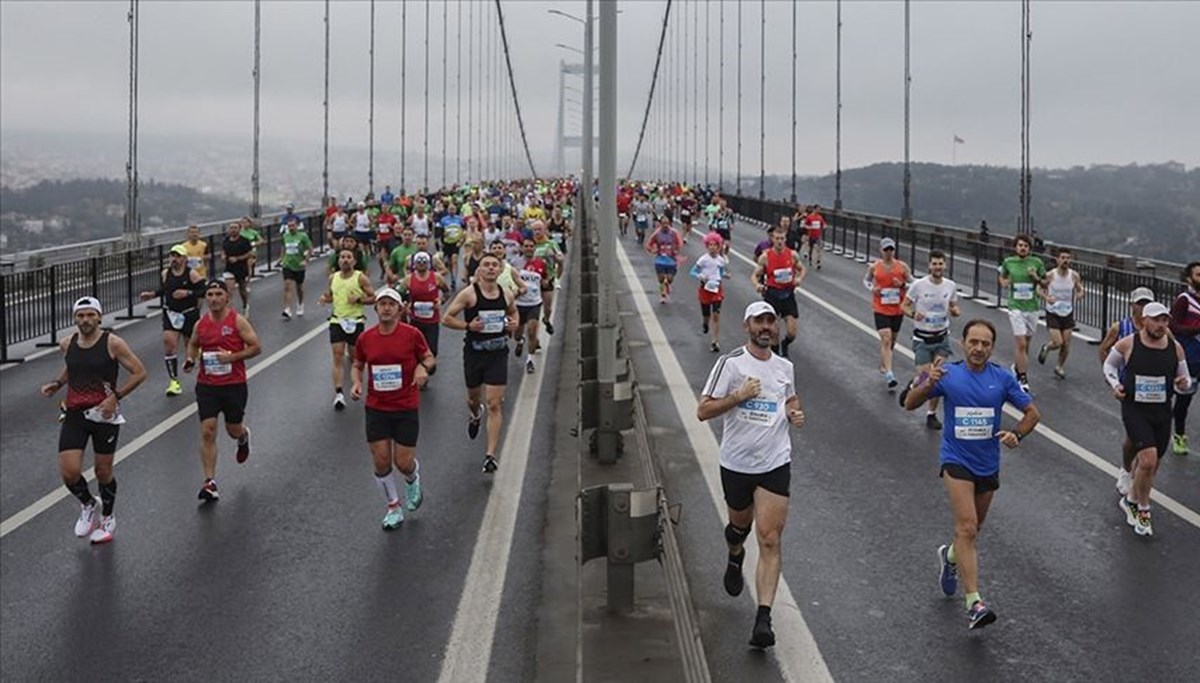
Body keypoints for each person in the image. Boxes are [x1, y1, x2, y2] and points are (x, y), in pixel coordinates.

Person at [904, 319, 1040, 630]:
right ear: (963, 343)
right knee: (966, 527)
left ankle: (950, 557)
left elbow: (1033, 414)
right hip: (956, 461)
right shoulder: (948, 374)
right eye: (973, 342)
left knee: (973, 529)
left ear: (992, 347)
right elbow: (910, 404)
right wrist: (927, 382)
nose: (978, 348)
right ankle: (974, 602)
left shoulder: (1002, 378)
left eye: (985, 344)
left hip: (987, 465)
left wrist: (1017, 435)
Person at [697, 301, 806, 649]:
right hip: (736, 463)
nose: (766, 327)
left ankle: (763, 619)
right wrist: (738, 396)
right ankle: (734, 555)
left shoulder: (785, 367)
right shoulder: (730, 364)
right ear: (747, 326)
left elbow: (790, 399)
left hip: (774, 463)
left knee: (770, 538)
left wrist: (793, 412)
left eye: (770, 322)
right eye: (760, 321)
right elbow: (703, 410)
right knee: (738, 528)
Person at [41, 297, 147, 544]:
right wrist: (57, 384)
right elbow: (73, 366)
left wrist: (116, 397)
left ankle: (107, 518)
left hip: (103, 415)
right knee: (69, 472)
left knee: (102, 471)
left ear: (99, 317)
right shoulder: (67, 343)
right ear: (74, 318)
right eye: (80, 316)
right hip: (75, 413)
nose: (85, 320)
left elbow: (140, 372)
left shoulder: (113, 343)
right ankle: (88, 504)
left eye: (90, 315)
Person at [1103, 302, 1191, 536]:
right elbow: (1109, 366)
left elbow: (1185, 381)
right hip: (1135, 410)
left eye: (1165, 320)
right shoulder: (1129, 343)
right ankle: (1143, 508)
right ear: (1144, 321)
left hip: (1161, 411)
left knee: (1152, 465)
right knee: (1148, 460)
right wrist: (1115, 384)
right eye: (1156, 320)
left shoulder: (1175, 348)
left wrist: (1183, 384)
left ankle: (1131, 499)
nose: (1161, 325)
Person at [350, 287, 434, 530]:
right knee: (381, 461)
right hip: (377, 408)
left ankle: (412, 477)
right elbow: (357, 364)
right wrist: (356, 381)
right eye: (382, 304)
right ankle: (393, 507)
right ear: (375, 309)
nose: (386, 308)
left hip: (405, 407)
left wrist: (422, 368)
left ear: (400, 309)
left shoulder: (412, 334)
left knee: (403, 462)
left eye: (391, 304)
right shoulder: (366, 338)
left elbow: (429, 358)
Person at [184, 280, 262, 502]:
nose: (214, 298)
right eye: (210, 294)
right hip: (207, 385)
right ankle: (210, 481)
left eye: (219, 294)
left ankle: (243, 436)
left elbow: (256, 347)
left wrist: (232, 357)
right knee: (208, 430)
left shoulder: (237, 321)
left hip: (233, 385)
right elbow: (193, 344)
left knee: (232, 428)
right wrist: (190, 359)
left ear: (227, 297)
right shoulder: (201, 324)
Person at [442, 253, 519, 473]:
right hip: (474, 353)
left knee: (495, 403)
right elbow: (446, 318)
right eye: (486, 265)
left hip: (498, 353)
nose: (491, 268)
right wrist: (468, 327)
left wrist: (513, 325)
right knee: (473, 399)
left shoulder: (506, 294)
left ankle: (490, 455)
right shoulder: (469, 294)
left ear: (501, 268)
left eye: (495, 265)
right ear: (479, 270)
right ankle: (475, 414)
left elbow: (513, 313)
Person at [1098, 287, 1156, 495]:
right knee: (1133, 435)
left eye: (1146, 303)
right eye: (1139, 303)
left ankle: (1143, 469)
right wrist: (1111, 378)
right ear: (1132, 304)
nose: (1142, 307)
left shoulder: (1159, 328)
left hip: (1155, 390)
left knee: (1153, 434)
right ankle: (1126, 469)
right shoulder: (1120, 327)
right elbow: (1104, 349)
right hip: (1130, 389)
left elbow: (1173, 352)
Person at [900, 250, 961, 430]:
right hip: (922, 339)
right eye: (934, 264)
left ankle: (931, 414)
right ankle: (913, 384)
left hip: (941, 337)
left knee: (936, 378)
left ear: (945, 265)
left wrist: (955, 311)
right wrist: (913, 314)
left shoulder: (950, 285)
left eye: (940, 263)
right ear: (929, 265)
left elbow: (954, 305)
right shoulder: (919, 285)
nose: (937, 267)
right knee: (925, 377)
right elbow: (904, 305)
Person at [139, 245, 205, 396]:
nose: (174, 259)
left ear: (184, 258)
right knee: (169, 345)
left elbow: (204, 290)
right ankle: (174, 382)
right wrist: (153, 294)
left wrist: (187, 292)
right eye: (172, 256)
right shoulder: (165, 273)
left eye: (178, 256)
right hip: (171, 313)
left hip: (189, 314)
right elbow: (166, 289)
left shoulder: (192, 274)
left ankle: (200, 372)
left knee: (191, 347)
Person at [320, 249, 376, 411]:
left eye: (348, 257)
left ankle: (358, 384)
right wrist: (325, 298)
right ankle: (339, 394)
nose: (345, 260)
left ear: (354, 261)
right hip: (337, 320)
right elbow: (331, 296)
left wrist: (358, 299)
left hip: (355, 321)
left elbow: (374, 298)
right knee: (337, 357)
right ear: (338, 261)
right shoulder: (333, 277)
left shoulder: (360, 277)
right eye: (342, 257)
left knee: (355, 359)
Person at [997, 234, 1047, 393]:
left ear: (1030, 249)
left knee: (1026, 343)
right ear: (1015, 247)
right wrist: (1004, 282)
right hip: (1015, 306)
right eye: (1020, 245)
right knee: (1021, 343)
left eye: (1025, 246)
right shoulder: (1009, 262)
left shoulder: (1037, 263)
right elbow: (1002, 276)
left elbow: (1046, 282)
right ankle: (1022, 378)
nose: (1022, 248)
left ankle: (1017, 367)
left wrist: (1036, 277)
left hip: (1031, 308)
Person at [863, 237, 913, 390]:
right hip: (880, 308)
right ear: (881, 250)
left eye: (891, 249)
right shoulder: (874, 267)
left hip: (897, 309)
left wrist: (903, 285)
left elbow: (914, 283)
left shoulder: (902, 267)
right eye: (886, 249)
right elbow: (865, 281)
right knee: (886, 338)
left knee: (892, 341)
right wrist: (873, 289)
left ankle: (885, 362)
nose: (889, 252)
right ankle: (890, 374)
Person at [751, 227, 806, 357]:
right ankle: (776, 357)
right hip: (772, 295)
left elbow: (802, 269)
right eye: (777, 239)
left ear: (785, 239)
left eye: (782, 238)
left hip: (788, 295)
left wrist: (799, 278)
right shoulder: (765, 257)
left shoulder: (792, 255)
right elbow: (754, 275)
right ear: (772, 239)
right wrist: (757, 285)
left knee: (792, 332)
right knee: (774, 331)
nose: (779, 241)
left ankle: (785, 343)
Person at [1036, 248, 1084, 379]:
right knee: (1058, 342)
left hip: (1067, 312)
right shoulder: (1050, 275)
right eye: (1062, 258)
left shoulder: (1074, 276)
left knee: (1066, 344)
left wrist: (1079, 295)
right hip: (1053, 312)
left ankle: (1059, 367)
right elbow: (1039, 289)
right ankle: (1046, 347)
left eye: (1068, 258)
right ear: (1057, 260)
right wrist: (1046, 298)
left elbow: (1080, 290)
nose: (1065, 260)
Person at [1168, 261, 1200, 455]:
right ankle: (1179, 436)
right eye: (1198, 275)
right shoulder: (1184, 300)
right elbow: (1173, 327)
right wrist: (1195, 330)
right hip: (1190, 360)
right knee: (1184, 400)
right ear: (1189, 278)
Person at [398, 251, 450, 362]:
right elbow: (399, 296)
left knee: (432, 351)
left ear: (428, 264)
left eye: (424, 262)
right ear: (414, 264)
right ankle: (420, 370)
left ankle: (426, 366)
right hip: (415, 319)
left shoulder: (436, 277)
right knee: (416, 349)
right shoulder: (408, 279)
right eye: (419, 262)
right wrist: (406, 304)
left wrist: (441, 301)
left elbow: (447, 292)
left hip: (432, 320)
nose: (421, 264)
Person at [512, 237, 548, 372]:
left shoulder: (541, 263)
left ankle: (530, 360)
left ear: (535, 248)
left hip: (534, 303)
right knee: (517, 333)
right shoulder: (515, 264)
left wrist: (546, 284)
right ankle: (520, 341)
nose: (528, 248)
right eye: (526, 246)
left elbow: (545, 280)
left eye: (531, 246)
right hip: (518, 304)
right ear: (522, 248)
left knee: (532, 332)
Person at [690, 231, 728, 352]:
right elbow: (693, 271)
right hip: (705, 288)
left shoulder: (721, 260)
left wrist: (724, 276)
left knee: (716, 315)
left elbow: (721, 272)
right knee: (706, 315)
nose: (712, 247)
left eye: (715, 245)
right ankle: (705, 323)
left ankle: (714, 341)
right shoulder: (703, 260)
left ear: (718, 246)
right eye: (710, 245)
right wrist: (701, 276)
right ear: (707, 246)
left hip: (716, 289)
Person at [532, 220, 564, 334]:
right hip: (534, 281)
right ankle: (534, 334)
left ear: (545, 230)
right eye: (534, 230)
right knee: (534, 309)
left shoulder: (551, 244)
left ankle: (546, 320)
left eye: (539, 229)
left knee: (548, 308)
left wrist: (556, 276)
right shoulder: (531, 245)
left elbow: (560, 260)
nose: (537, 232)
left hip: (548, 279)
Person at [278, 216, 314, 320]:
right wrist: (281, 258)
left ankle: (300, 303)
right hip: (287, 264)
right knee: (287, 286)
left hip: (299, 265)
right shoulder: (285, 236)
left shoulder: (303, 236)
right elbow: (283, 247)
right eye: (289, 226)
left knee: (299, 287)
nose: (291, 227)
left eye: (293, 225)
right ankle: (288, 309)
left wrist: (306, 260)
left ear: (297, 226)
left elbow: (310, 248)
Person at [646, 216, 684, 304]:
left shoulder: (674, 233)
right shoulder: (657, 234)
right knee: (661, 278)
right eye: (663, 223)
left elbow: (680, 243)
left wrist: (677, 250)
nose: (665, 225)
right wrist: (652, 250)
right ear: (660, 224)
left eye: (667, 223)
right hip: (660, 260)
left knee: (670, 278)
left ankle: (668, 284)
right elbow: (648, 244)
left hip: (671, 260)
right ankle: (663, 295)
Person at [221, 221, 255, 316]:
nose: (233, 230)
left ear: (239, 229)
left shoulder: (244, 241)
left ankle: (245, 305)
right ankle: (230, 313)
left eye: (235, 228)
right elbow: (223, 250)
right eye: (231, 228)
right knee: (229, 291)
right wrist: (223, 256)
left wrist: (238, 258)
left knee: (242, 290)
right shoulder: (226, 240)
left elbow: (250, 253)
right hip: (229, 268)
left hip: (241, 268)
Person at [801, 205, 827, 269]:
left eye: (819, 209)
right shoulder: (810, 217)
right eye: (818, 209)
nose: (819, 210)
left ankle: (818, 262)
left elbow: (824, 224)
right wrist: (809, 227)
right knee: (811, 249)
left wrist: (824, 226)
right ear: (814, 209)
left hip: (818, 236)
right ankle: (810, 259)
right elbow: (805, 225)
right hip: (811, 235)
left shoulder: (820, 217)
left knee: (818, 249)